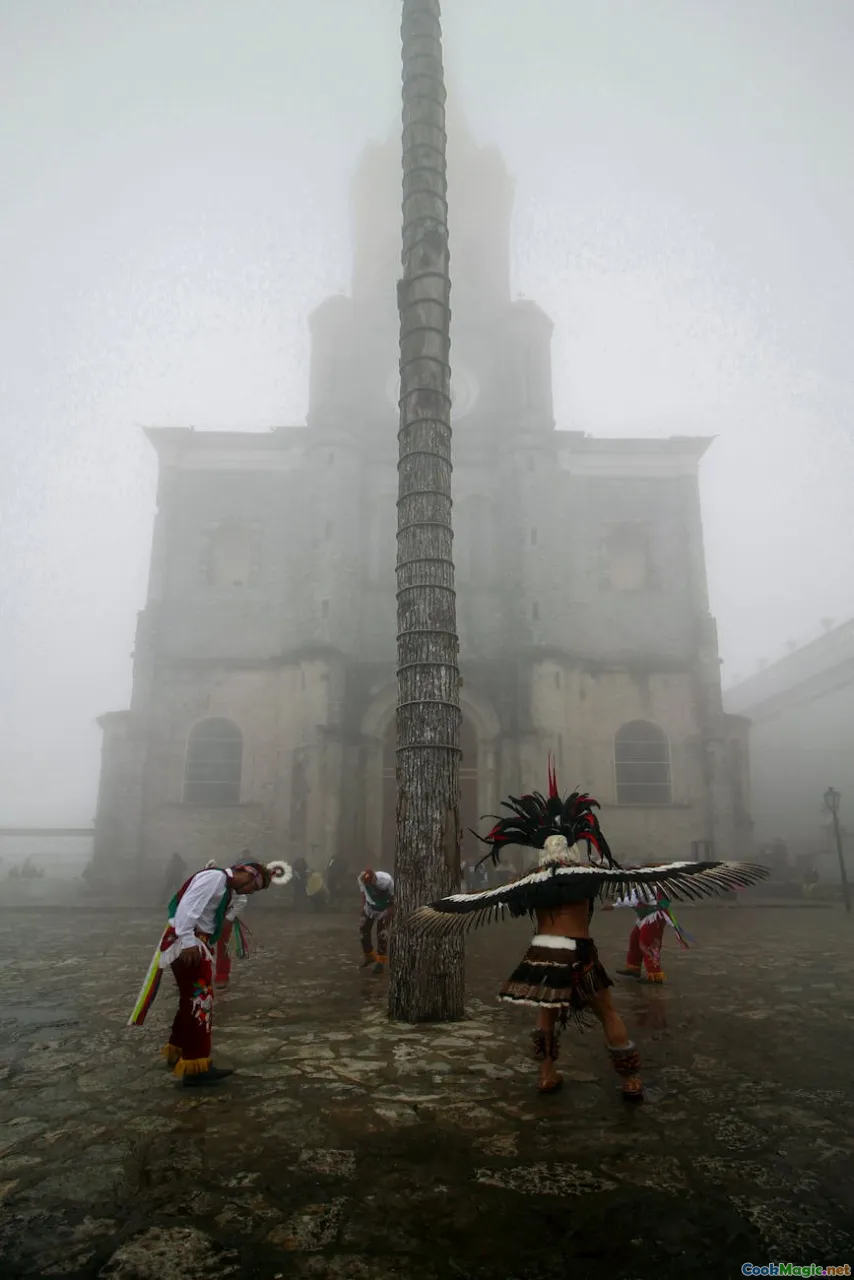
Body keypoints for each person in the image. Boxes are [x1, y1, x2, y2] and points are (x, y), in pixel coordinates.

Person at [409, 762, 769, 1102]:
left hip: (541, 954)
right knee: (607, 1013)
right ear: (572, 849)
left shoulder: (524, 884)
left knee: (546, 1015)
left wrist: (426, 914)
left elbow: (465, 902)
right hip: (578, 952)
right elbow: (654, 874)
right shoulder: (589, 875)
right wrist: (715, 870)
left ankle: (546, 1074)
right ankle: (630, 1079)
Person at [129, 857, 288, 1084]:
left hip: (194, 941)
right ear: (247, 873)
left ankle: (179, 1050)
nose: (251, 891)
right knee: (200, 1001)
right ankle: (196, 1066)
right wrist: (187, 942)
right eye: (253, 886)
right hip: (188, 944)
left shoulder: (224, 885)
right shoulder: (214, 878)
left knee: (189, 1000)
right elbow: (187, 908)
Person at [610, 884, 694, 984]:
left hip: (654, 918)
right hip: (645, 917)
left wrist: (613, 906)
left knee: (647, 943)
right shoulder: (638, 887)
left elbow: (631, 900)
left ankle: (656, 976)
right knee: (635, 938)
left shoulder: (644, 888)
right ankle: (634, 968)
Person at [358, 867, 395, 974]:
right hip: (369, 907)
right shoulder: (361, 880)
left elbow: (394, 897)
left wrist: (390, 911)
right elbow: (363, 893)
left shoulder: (387, 880)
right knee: (363, 931)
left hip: (384, 909)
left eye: (371, 882)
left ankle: (380, 962)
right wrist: (362, 908)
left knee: (382, 934)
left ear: (375, 877)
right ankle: (369, 955)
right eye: (367, 883)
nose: (370, 885)